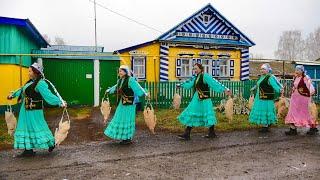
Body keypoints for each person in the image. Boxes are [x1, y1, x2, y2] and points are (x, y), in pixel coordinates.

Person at [7, 63, 66, 157]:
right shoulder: (30, 83)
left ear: (36, 72)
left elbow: (48, 95)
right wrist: (13, 95)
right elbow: (22, 90)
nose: (28, 73)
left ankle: (51, 143)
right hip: (25, 110)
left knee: (39, 126)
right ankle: (28, 150)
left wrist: (59, 102)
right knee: (26, 128)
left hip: (34, 111)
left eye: (30, 71)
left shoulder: (40, 83)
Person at [176, 63, 231, 140]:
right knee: (192, 113)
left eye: (196, 68)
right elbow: (189, 84)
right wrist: (181, 85)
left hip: (205, 99)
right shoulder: (196, 77)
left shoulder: (205, 76)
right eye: (194, 69)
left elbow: (214, 83)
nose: (195, 70)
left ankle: (212, 133)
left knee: (208, 115)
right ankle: (187, 134)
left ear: (200, 69)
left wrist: (224, 89)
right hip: (196, 99)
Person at [104, 65, 149, 144]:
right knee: (119, 117)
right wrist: (109, 90)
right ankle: (123, 136)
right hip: (122, 103)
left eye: (121, 71)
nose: (119, 72)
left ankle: (127, 138)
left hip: (130, 104)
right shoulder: (120, 80)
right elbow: (116, 87)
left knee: (127, 119)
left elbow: (137, 87)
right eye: (119, 71)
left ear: (125, 71)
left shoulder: (130, 80)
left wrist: (144, 93)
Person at [249, 63, 283, 133]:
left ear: (268, 70)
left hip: (266, 98)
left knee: (266, 110)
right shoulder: (262, 77)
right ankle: (266, 125)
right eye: (261, 69)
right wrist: (254, 88)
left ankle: (265, 126)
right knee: (262, 110)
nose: (262, 70)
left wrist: (280, 90)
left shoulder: (269, 77)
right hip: (259, 97)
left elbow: (274, 85)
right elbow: (259, 84)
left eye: (263, 69)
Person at [285, 65, 318, 135]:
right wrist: (293, 90)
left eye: (298, 70)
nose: (296, 71)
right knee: (292, 112)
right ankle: (292, 129)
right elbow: (295, 86)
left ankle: (313, 127)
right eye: (296, 70)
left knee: (306, 113)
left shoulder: (306, 78)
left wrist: (310, 97)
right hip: (295, 99)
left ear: (302, 71)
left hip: (303, 100)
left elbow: (310, 88)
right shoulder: (296, 78)